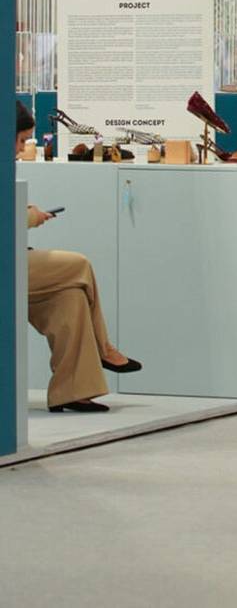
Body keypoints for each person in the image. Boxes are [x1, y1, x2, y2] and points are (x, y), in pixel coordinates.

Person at [16, 101, 142, 412]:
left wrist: (28, 213)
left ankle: (71, 391)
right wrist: (30, 216)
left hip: (14, 258)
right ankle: (104, 348)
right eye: (20, 140)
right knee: (78, 265)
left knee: (69, 298)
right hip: (9, 264)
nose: (22, 148)